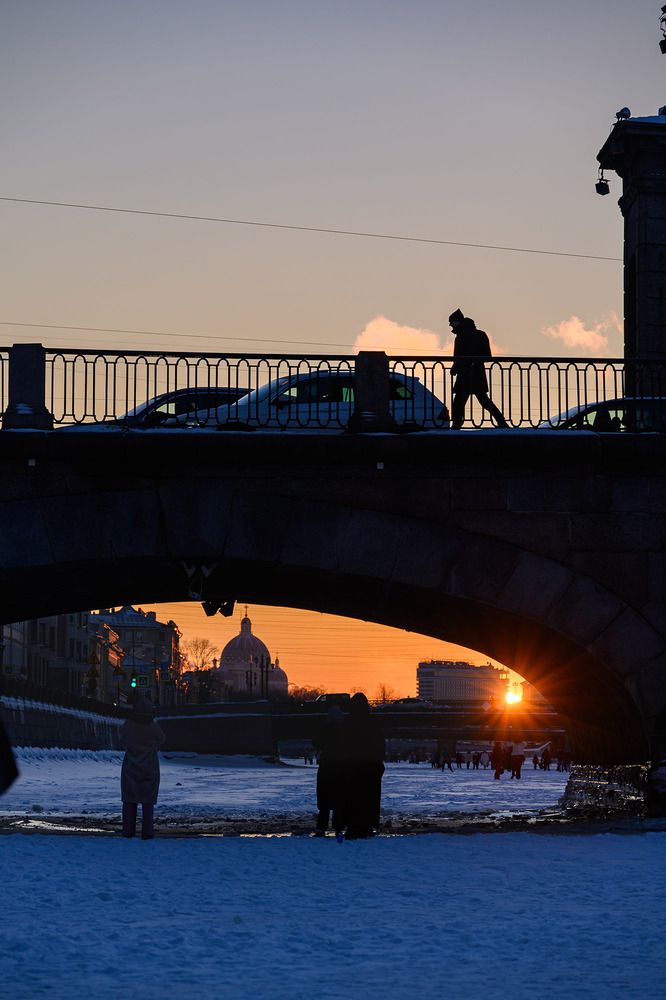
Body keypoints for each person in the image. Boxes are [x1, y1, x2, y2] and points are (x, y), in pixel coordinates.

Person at [448, 308, 508, 429]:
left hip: (465, 374)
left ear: (458, 322)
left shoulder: (460, 337)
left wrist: (456, 367)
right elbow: (487, 356)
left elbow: (458, 358)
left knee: (459, 401)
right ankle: (502, 422)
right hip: (477, 373)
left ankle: (456, 425)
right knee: (483, 400)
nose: (450, 325)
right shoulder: (480, 334)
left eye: (452, 322)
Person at [120, 696, 165, 840]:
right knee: (148, 803)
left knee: (129, 800)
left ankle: (128, 831)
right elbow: (162, 739)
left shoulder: (128, 724)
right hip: (149, 767)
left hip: (130, 767)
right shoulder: (153, 726)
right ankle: (147, 832)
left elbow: (122, 738)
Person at [343, 693, 385, 839]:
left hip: (352, 767)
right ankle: (367, 825)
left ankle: (351, 825)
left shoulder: (347, 723)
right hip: (370, 767)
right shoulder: (372, 723)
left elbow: (342, 745)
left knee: (352, 797)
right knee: (369, 798)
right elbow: (380, 745)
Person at [313, 705, 346, 837]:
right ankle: (339, 827)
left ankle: (321, 827)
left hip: (326, 767)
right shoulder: (344, 730)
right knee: (339, 800)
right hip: (340, 768)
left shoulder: (324, 729)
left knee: (324, 800)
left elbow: (316, 743)